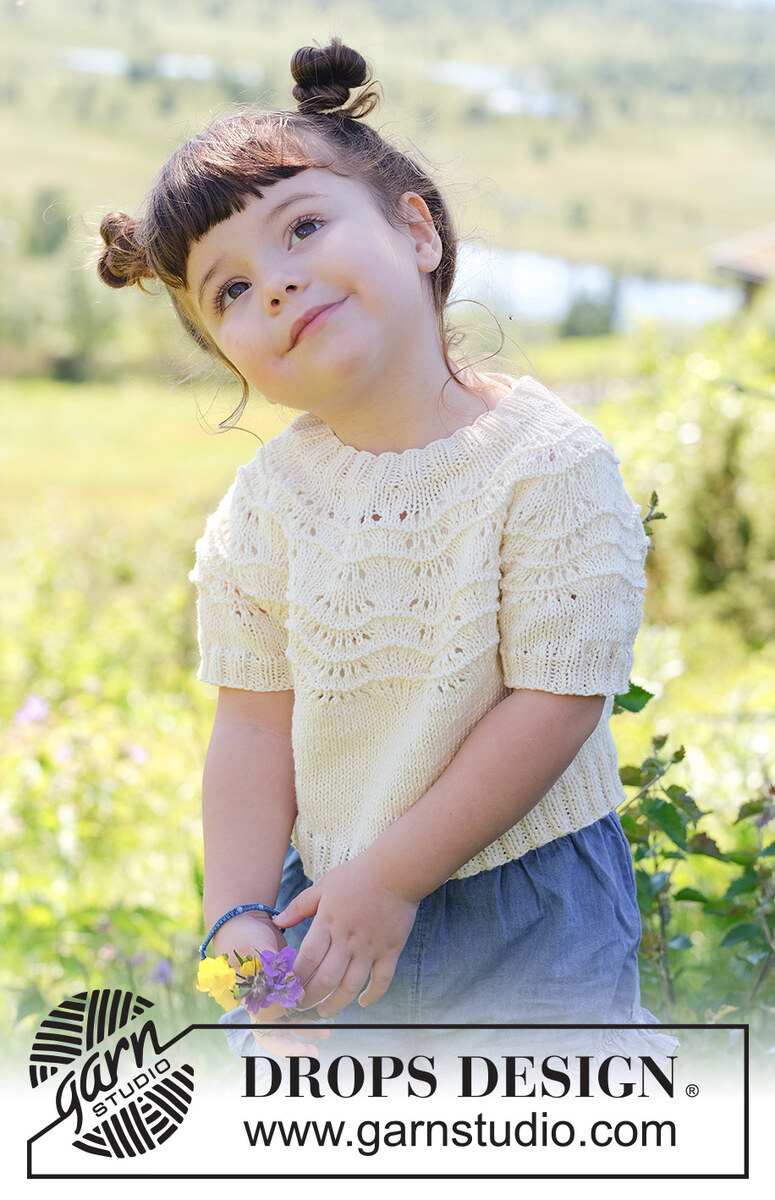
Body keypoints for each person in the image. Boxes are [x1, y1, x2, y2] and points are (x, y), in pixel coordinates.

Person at [97, 38, 663, 1050]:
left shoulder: (545, 462)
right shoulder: (265, 508)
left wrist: (393, 880)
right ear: (226, 353)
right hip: (323, 898)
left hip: (527, 904)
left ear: (415, 231)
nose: (274, 285)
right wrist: (238, 920)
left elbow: (559, 698)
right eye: (230, 290)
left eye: (303, 227)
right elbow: (252, 731)